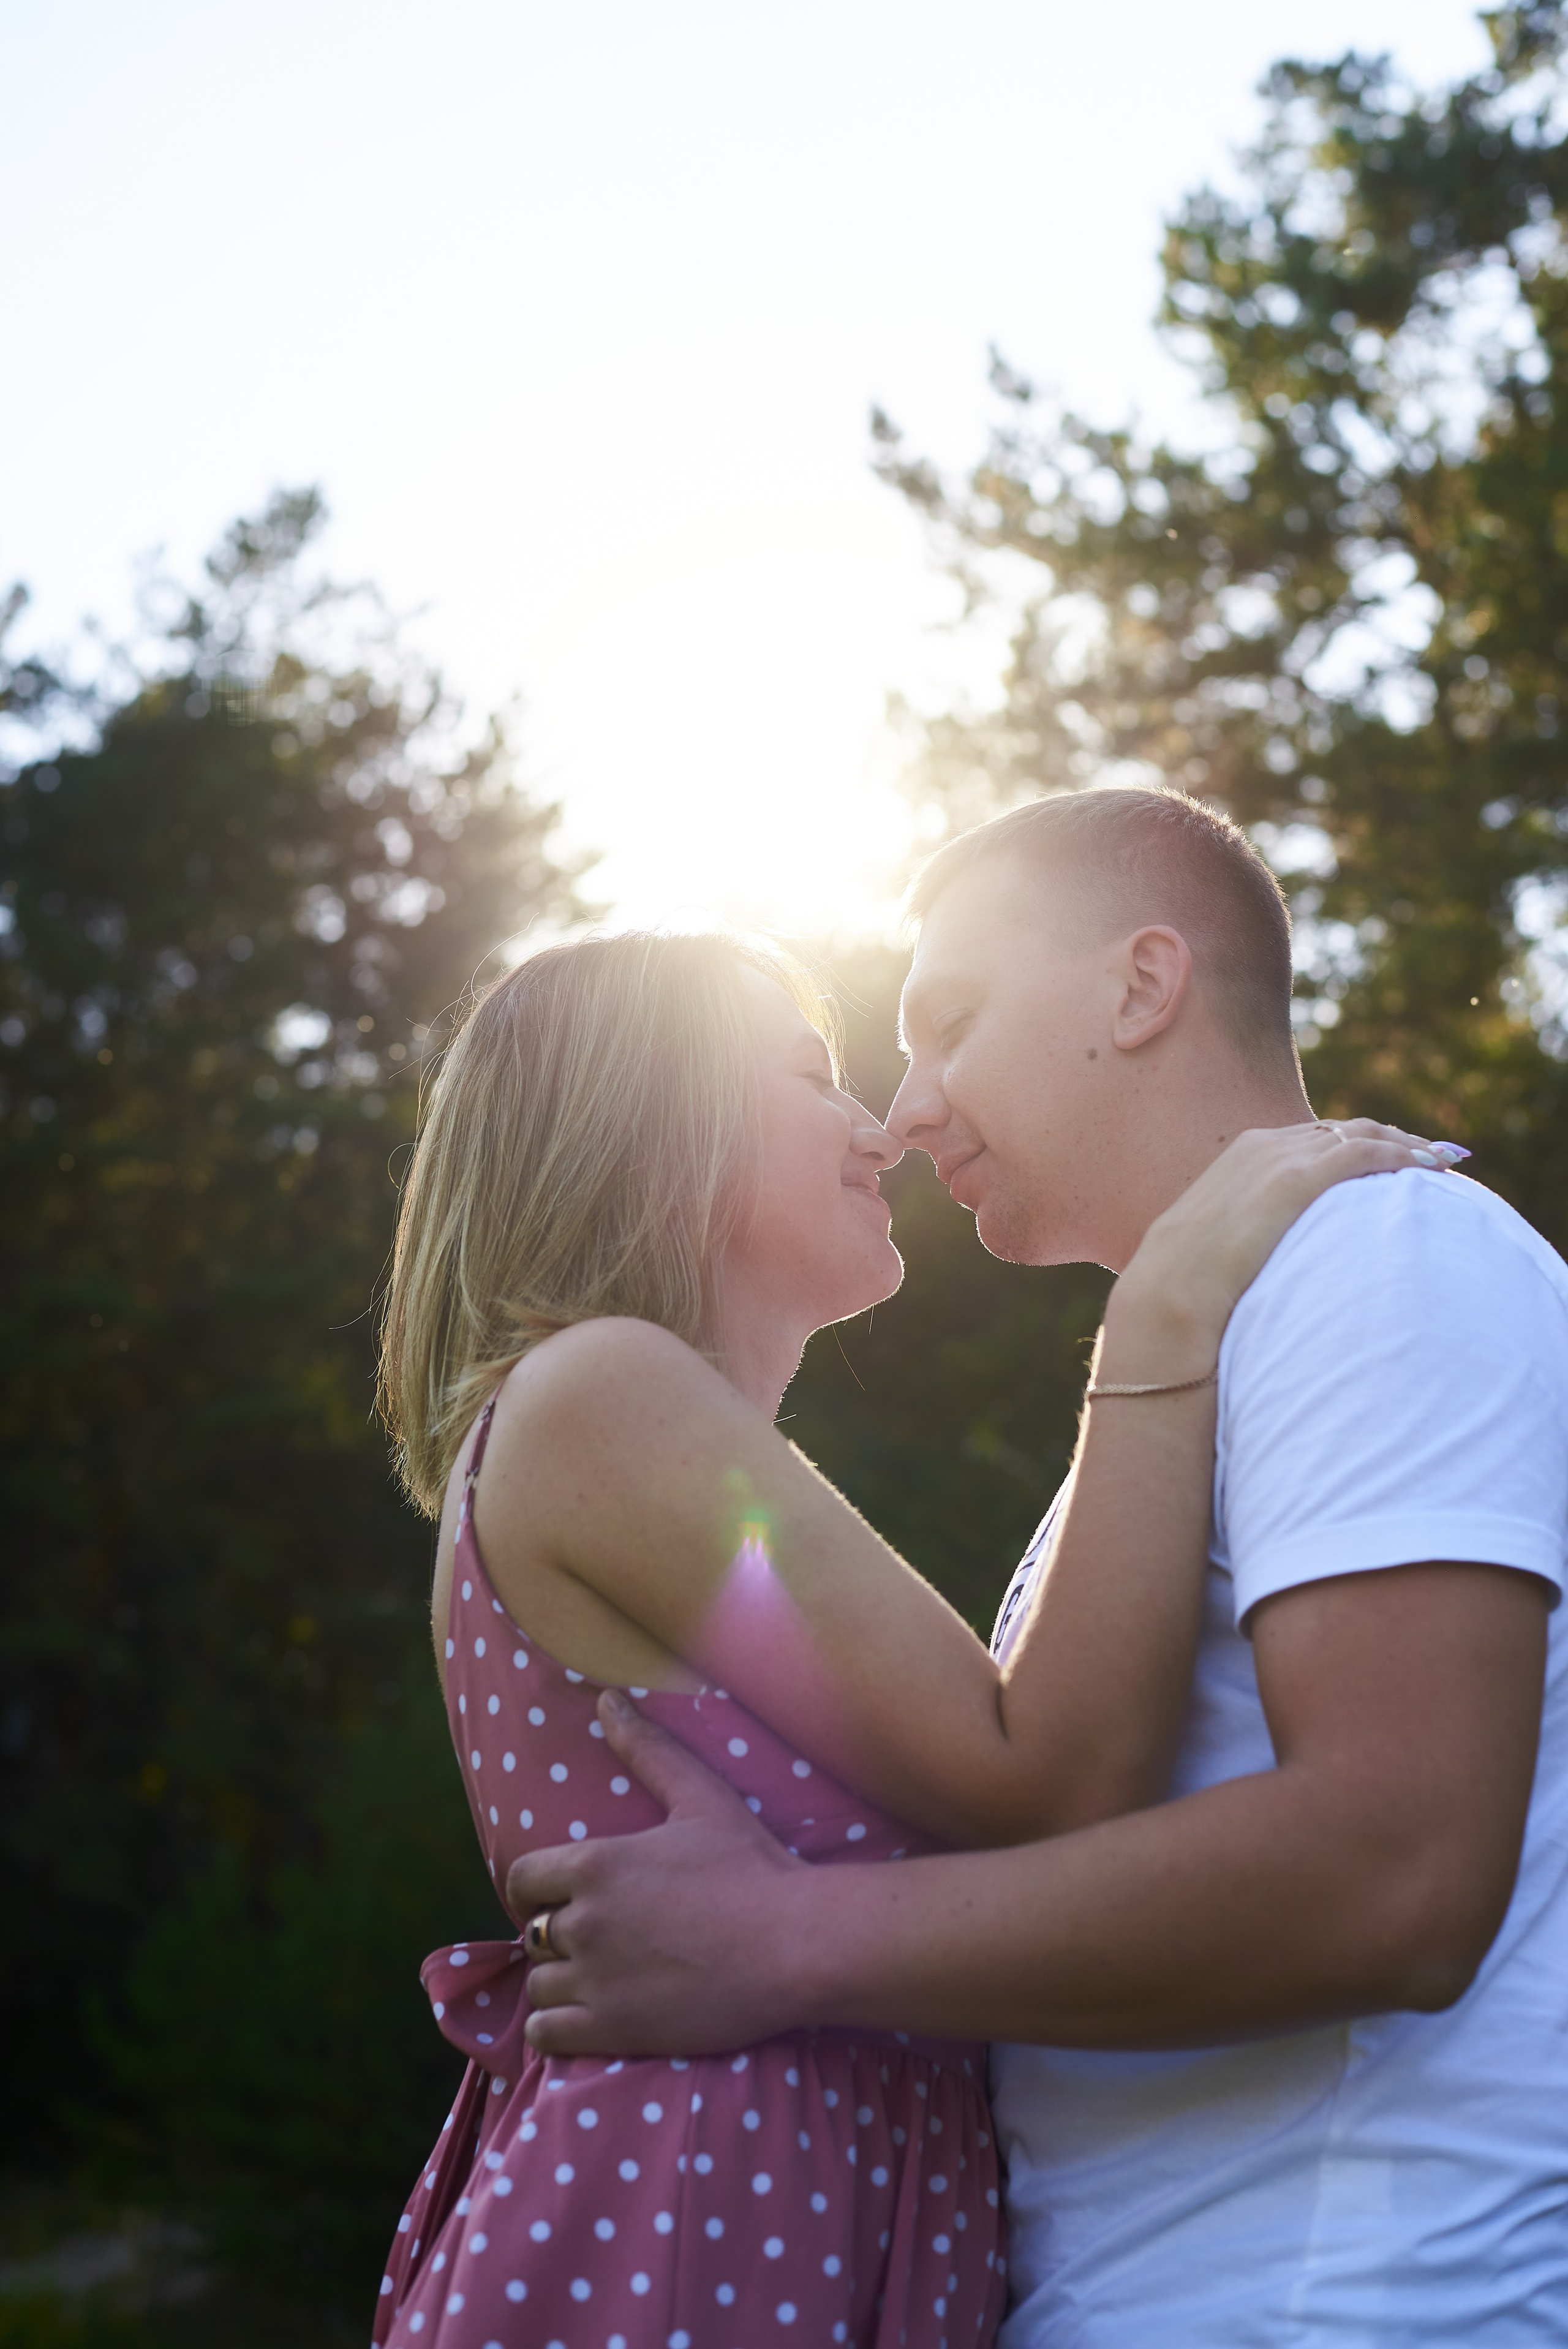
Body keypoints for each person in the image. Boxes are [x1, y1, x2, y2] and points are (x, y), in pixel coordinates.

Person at [510, 786, 1568, 2348]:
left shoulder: (1376, 1253)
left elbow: (1395, 1870)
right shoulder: (1190, 1370)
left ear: (1140, 986)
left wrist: (780, 1944)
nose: (909, 1107)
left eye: (949, 1023)